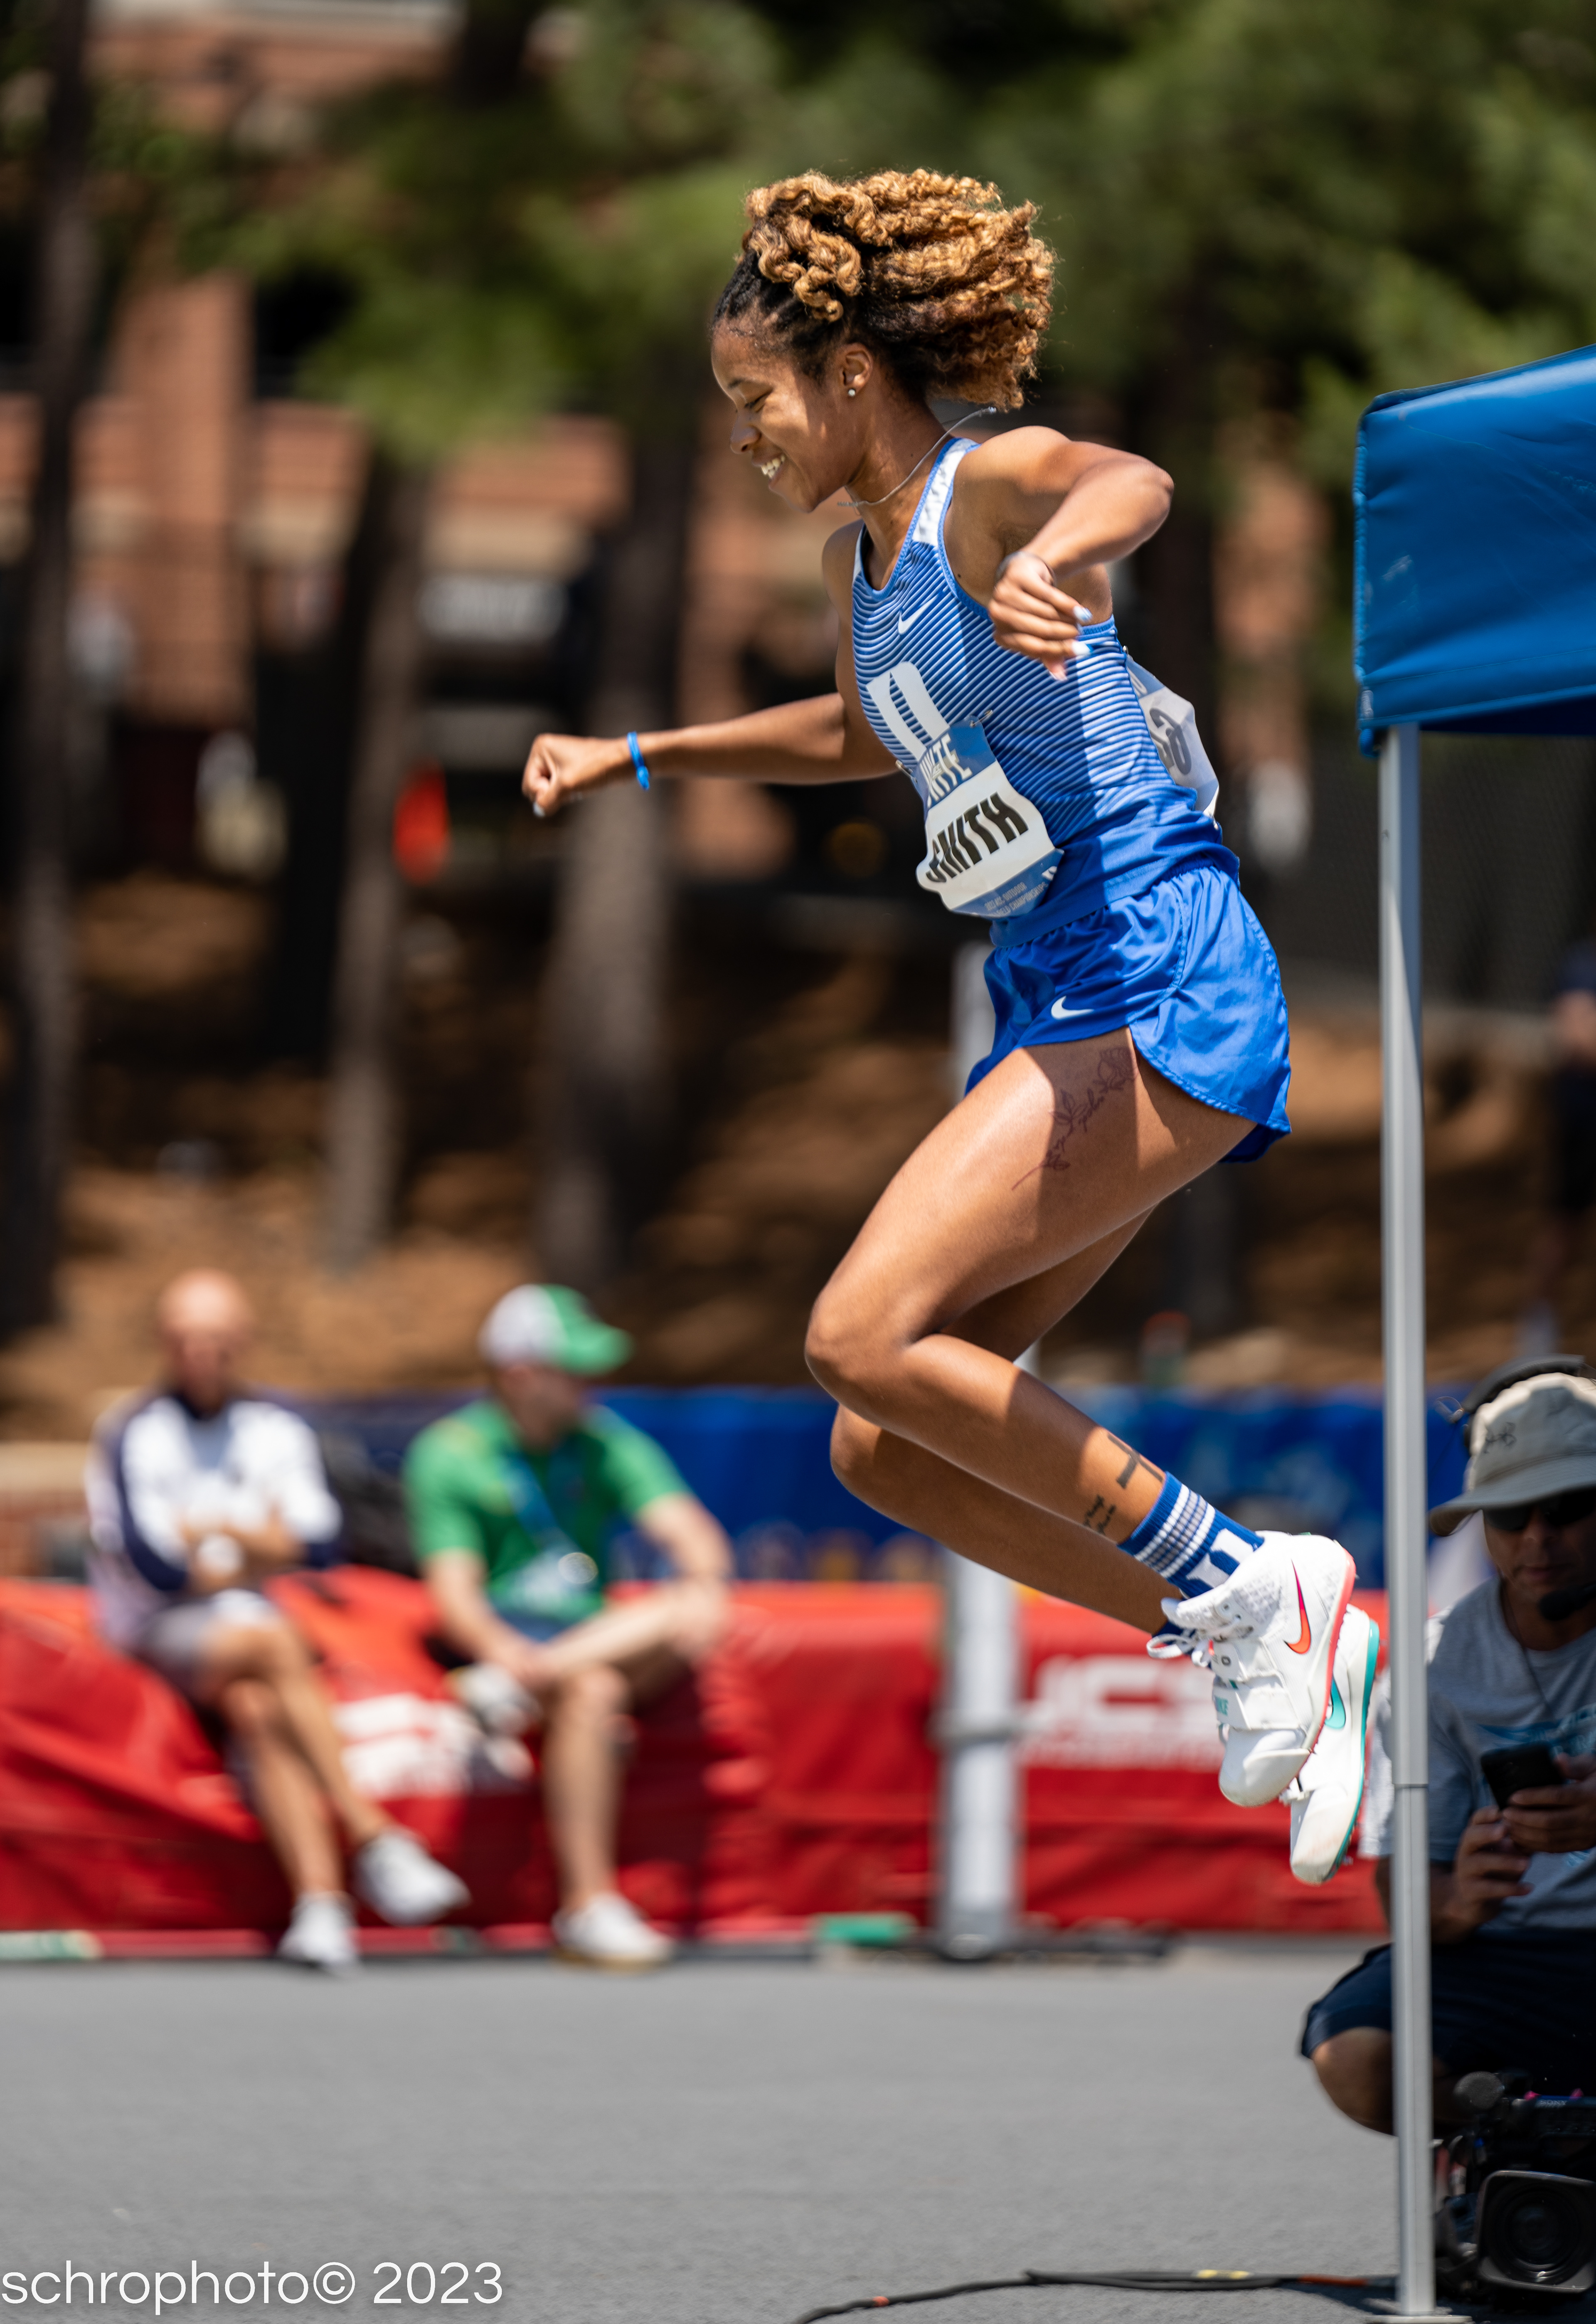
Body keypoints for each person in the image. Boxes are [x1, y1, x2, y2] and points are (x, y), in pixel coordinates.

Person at [522, 166, 1373, 1823]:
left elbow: (1134, 476)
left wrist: (1060, 553)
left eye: (751, 399)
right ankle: (1257, 1630)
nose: (744, 437)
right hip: (1060, 995)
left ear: (850, 377)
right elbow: (857, 734)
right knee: (884, 1444)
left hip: (1157, 968)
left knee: (854, 1333)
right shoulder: (868, 565)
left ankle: (1255, 1577)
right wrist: (641, 751)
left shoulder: (983, 495)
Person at [87, 1270, 469, 1974]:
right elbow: (157, 1568)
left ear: (243, 1341)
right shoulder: (134, 1431)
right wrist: (259, 1542)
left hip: (245, 1631)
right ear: (164, 1343)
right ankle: (373, 1834)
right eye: (186, 1338)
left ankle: (321, 1907)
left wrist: (210, 1538)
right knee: (273, 1643)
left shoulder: (276, 1426)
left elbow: (322, 1541)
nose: (202, 1353)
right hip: (161, 1630)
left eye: (217, 1339)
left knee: (259, 1708)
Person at [1304, 1359, 1596, 2132]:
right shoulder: (1432, 1669)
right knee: (1357, 2057)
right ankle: (1523, 2162)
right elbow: (1409, 1897)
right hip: (1503, 1959)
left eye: (1568, 1506)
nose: (1538, 1538)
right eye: (1508, 1514)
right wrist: (1460, 1898)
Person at [404, 1285, 732, 1969]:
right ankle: (587, 1904)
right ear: (520, 1373)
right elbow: (454, 1594)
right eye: (574, 1370)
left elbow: (692, 1535)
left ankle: (519, 1689)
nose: (592, 1383)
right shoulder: (453, 1453)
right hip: (508, 1635)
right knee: (596, 1693)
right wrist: (504, 1650)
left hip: (565, 1644)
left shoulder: (603, 1442)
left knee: (687, 1607)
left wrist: (702, 1577)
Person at [1520, 926, 1596, 1353]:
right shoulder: (1581, 965)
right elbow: (1576, 1040)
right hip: (1582, 1123)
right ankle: (1538, 1327)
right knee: (1564, 1225)